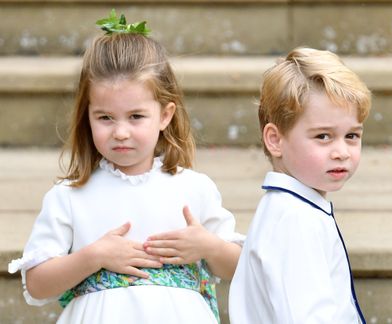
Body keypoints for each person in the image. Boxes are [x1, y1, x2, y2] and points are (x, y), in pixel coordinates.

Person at [8, 10, 243, 324]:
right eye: (105, 117)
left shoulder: (194, 188)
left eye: (136, 116)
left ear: (165, 115)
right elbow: (37, 285)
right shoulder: (70, 196)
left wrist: (208, 247)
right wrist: (95, 256)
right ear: (86, 116)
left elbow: (242, 269)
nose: (120, 131)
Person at [229, 47, 371, 324]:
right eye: (323, 136)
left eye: (351, 135)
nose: (341, 151)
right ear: (275, 140)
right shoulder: (294, 220)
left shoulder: (295, 209)